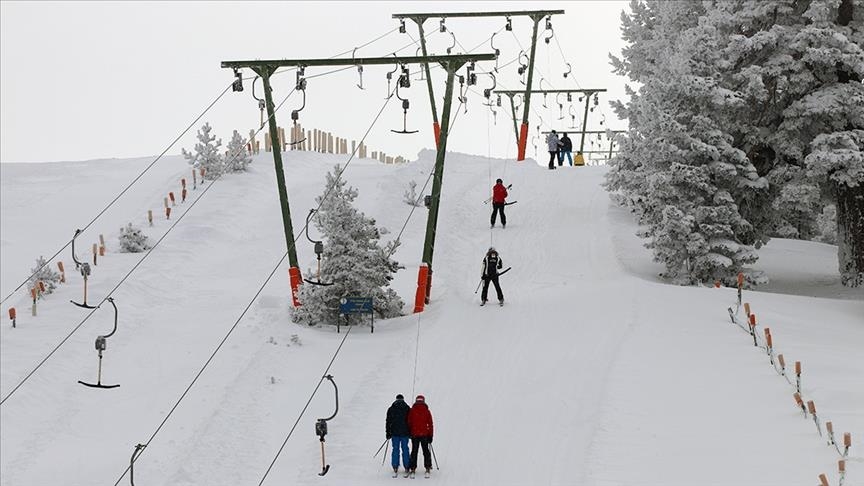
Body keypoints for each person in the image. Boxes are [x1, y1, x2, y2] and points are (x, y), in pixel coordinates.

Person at [407, 394, 434, 478]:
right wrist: (431, 435)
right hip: (424, 435)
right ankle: (428, 467)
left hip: (415, 434)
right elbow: (430, 424)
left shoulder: (412, 410)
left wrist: (410, 432)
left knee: (414, 451)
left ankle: (413, 468)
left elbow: (409, 422)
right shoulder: (427, 411)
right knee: (425, 451)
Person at [385, 393, 411, 477]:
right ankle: (407, 466)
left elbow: (388, 422)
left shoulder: (391, 409)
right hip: (405, 433)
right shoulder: (407, 408)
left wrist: (388, 433)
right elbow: (410, 422)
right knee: (405, 449)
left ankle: (395, 466)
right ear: (403, 399)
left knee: (395, 449)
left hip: (395, 433)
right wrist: (410, 432)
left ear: (396, 399)